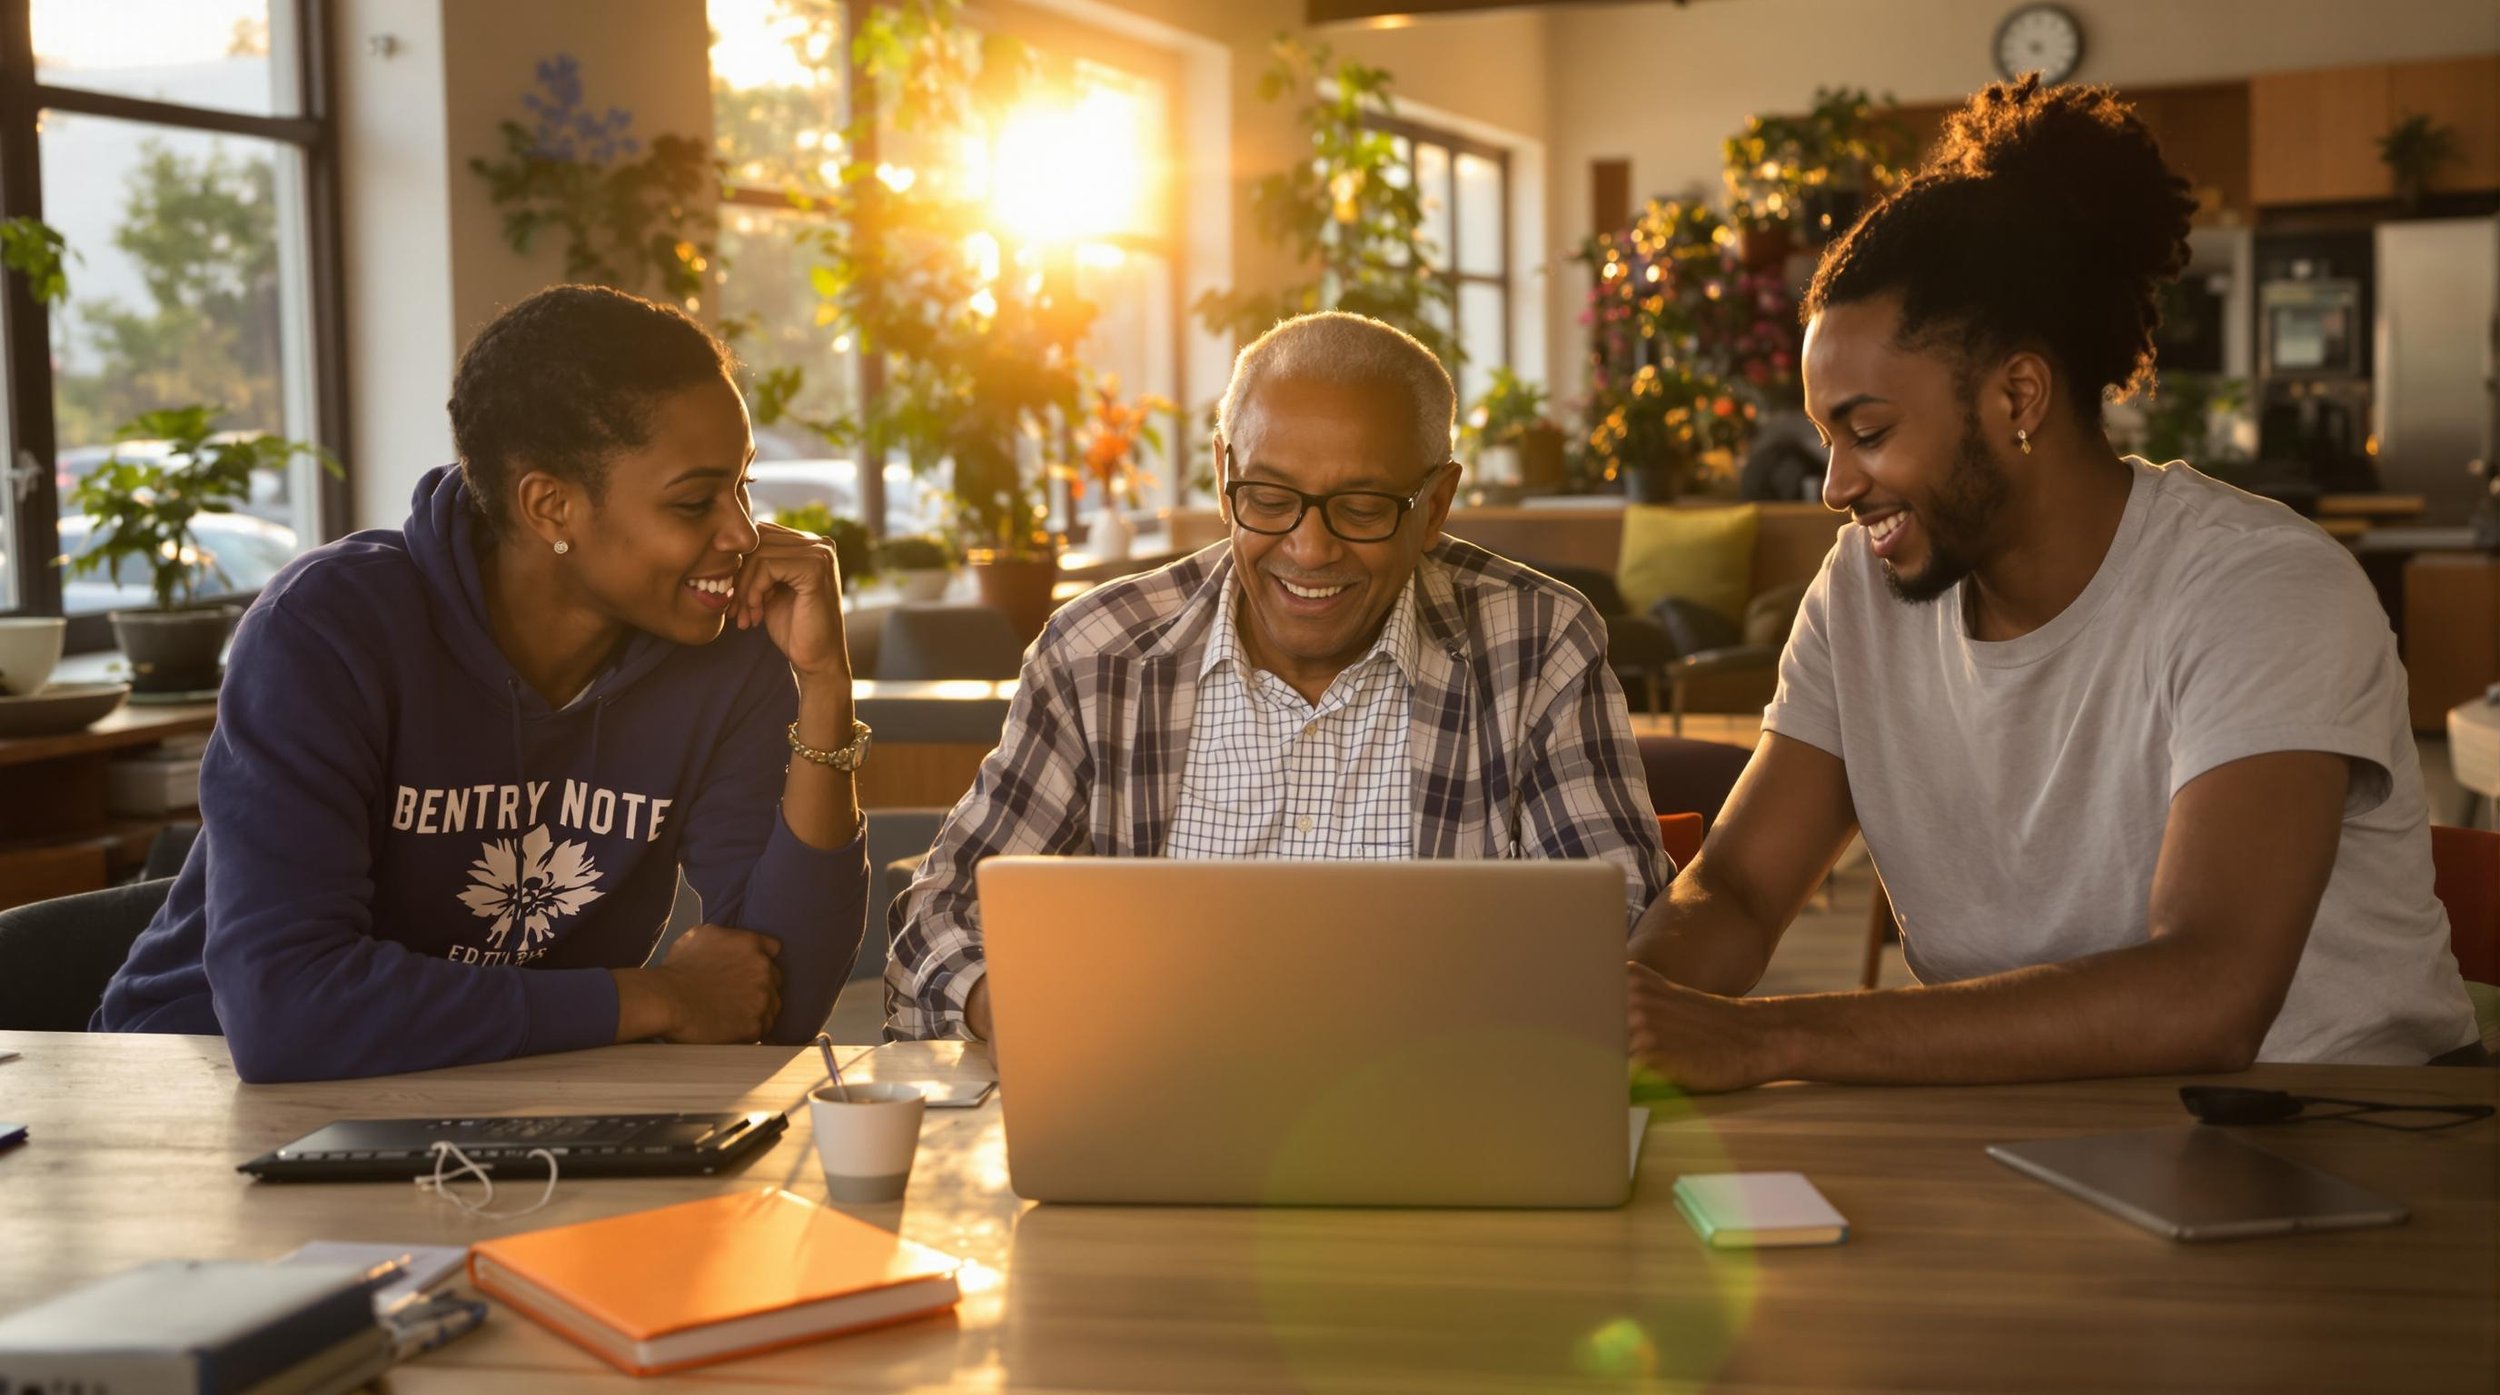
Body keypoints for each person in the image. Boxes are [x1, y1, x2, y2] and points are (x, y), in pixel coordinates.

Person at [1625, 78, 2483, 1088]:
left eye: (1867, 432)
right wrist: (1617, 1018)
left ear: (2016, 397)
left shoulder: (2260, 591)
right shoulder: (1861, 591)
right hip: (2024, 1134)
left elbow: (2206, 994)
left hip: (2345, 1141)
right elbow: (1733, 892)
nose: (1834, 485)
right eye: (1826, 439)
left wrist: (1766, 1039)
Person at [95, 285, 871, 1082]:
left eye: (742, 484)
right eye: (694, 500)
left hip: (506, 1093)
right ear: (551, 505)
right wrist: (653, 998)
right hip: (197, 1083)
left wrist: (823, 687)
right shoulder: (329, 631)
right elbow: (283, 1012)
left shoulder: (719, 645)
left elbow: (775, 997)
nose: (742, 533)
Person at [887, 311, 1669, 1040]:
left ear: (1435, 507)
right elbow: (937, 918)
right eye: (1268, 498)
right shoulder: (1099, 653)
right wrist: (1027, 1013)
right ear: (1226, 473)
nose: (1310, 547)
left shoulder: (1538, 645)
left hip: (1438, 1112)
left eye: (1361, 507)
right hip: (1149, 1117)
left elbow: (1625, 934)